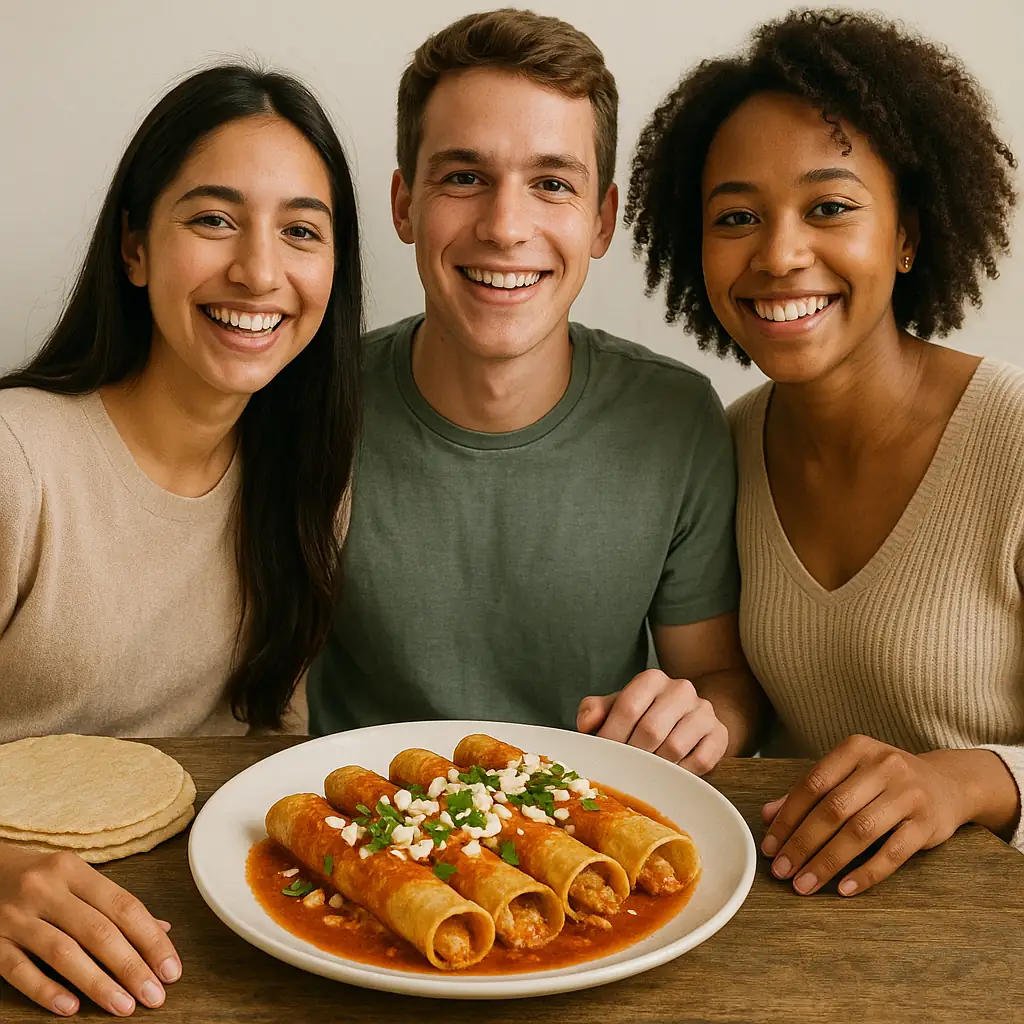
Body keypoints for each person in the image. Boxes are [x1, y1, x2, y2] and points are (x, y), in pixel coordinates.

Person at [627, 8, 1023, 898]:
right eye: (737, 216)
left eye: (830, 207)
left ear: (908, 234)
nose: (779, 254)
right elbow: (748, 693)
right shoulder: (723, 447)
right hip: (800, 914)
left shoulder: (1016, 440)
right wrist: (691, 719)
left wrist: (962, 782)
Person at [308, 9, 768, 767]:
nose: (505, 226)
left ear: (602, 221)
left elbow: (718, 679)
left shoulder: (678, 418)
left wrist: (699, 722)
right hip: (357, 811)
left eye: (552, 184)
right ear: (404, 204)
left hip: (586, 810)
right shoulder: (310, 403)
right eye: (465, 177)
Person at [0, 64, 362, 1016]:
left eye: (301, 231)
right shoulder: (16, 461)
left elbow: (264, 752)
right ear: (134, 248)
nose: (259, 271)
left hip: (208, 941)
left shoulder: (306, 482)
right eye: (213, 219)